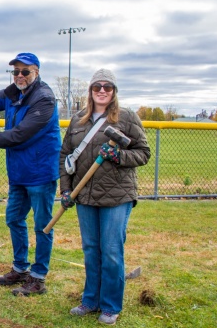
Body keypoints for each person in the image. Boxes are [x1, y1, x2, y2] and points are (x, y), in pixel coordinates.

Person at [0, 50, 61, 296]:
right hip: (18, 173)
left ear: (36, 72)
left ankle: (38, 278)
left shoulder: (44, 98)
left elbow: (20, 134)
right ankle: (20, 268)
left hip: (40, 173)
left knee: (42, 226)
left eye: (25, 71)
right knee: (14, 218)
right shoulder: (13, 93)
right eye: (15, 71)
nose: (19, 75)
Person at [60, 69, 150, 325]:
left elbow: (143, 153)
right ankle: (90, 300)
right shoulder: (77, 120)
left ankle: (110, 305)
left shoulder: (127, 118)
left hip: (117, 196)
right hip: (84, 195)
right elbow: (65, 156)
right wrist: (65, 190)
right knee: (90, 249)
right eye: (97, 86)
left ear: (114, 91)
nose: (102, 90)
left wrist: (119, 157)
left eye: (107, 87)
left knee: (111, 250)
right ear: (90, 91)